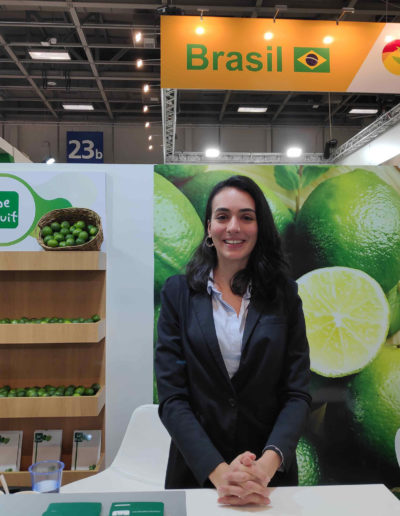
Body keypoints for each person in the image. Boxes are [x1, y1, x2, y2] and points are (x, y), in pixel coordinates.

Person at [155, 175, 311, 506]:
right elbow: (173, 399)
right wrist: (220, 473)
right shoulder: (177, 293)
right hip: (198, 475)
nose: (233, 227)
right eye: (223, 216)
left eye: (246, 217)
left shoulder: (284, 295)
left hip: (268, 479)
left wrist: (264, 468)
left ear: (260, 226)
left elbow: (296, 394)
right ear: (209, 226)